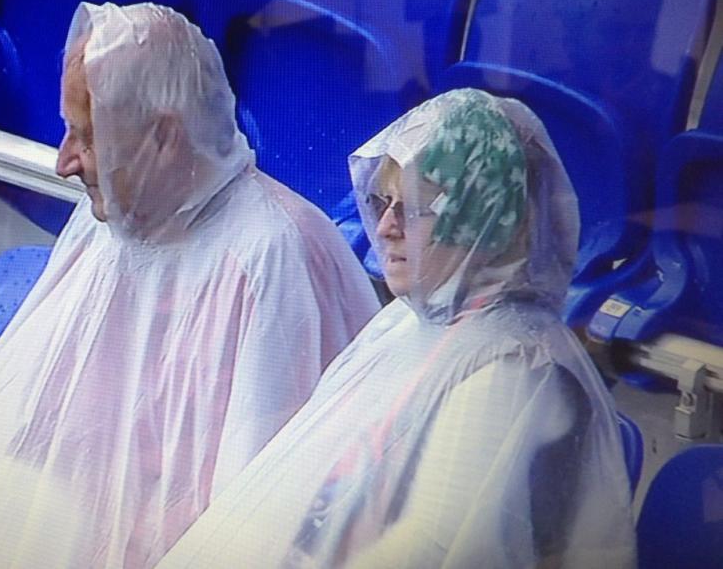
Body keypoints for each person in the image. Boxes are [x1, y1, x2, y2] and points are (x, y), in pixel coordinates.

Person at [0, 2, 379, 568]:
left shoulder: (274, 256)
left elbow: (257, 519)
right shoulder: (111, 221)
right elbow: (37, 423)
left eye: (87, 136)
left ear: (164, 138)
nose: (63, 163)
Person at [158, 88, 636, 569]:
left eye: (412, 207)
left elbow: (427, 550)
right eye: (383, 202)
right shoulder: (408, 324)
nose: (385, 227)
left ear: (484, 219)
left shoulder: (515, 369)